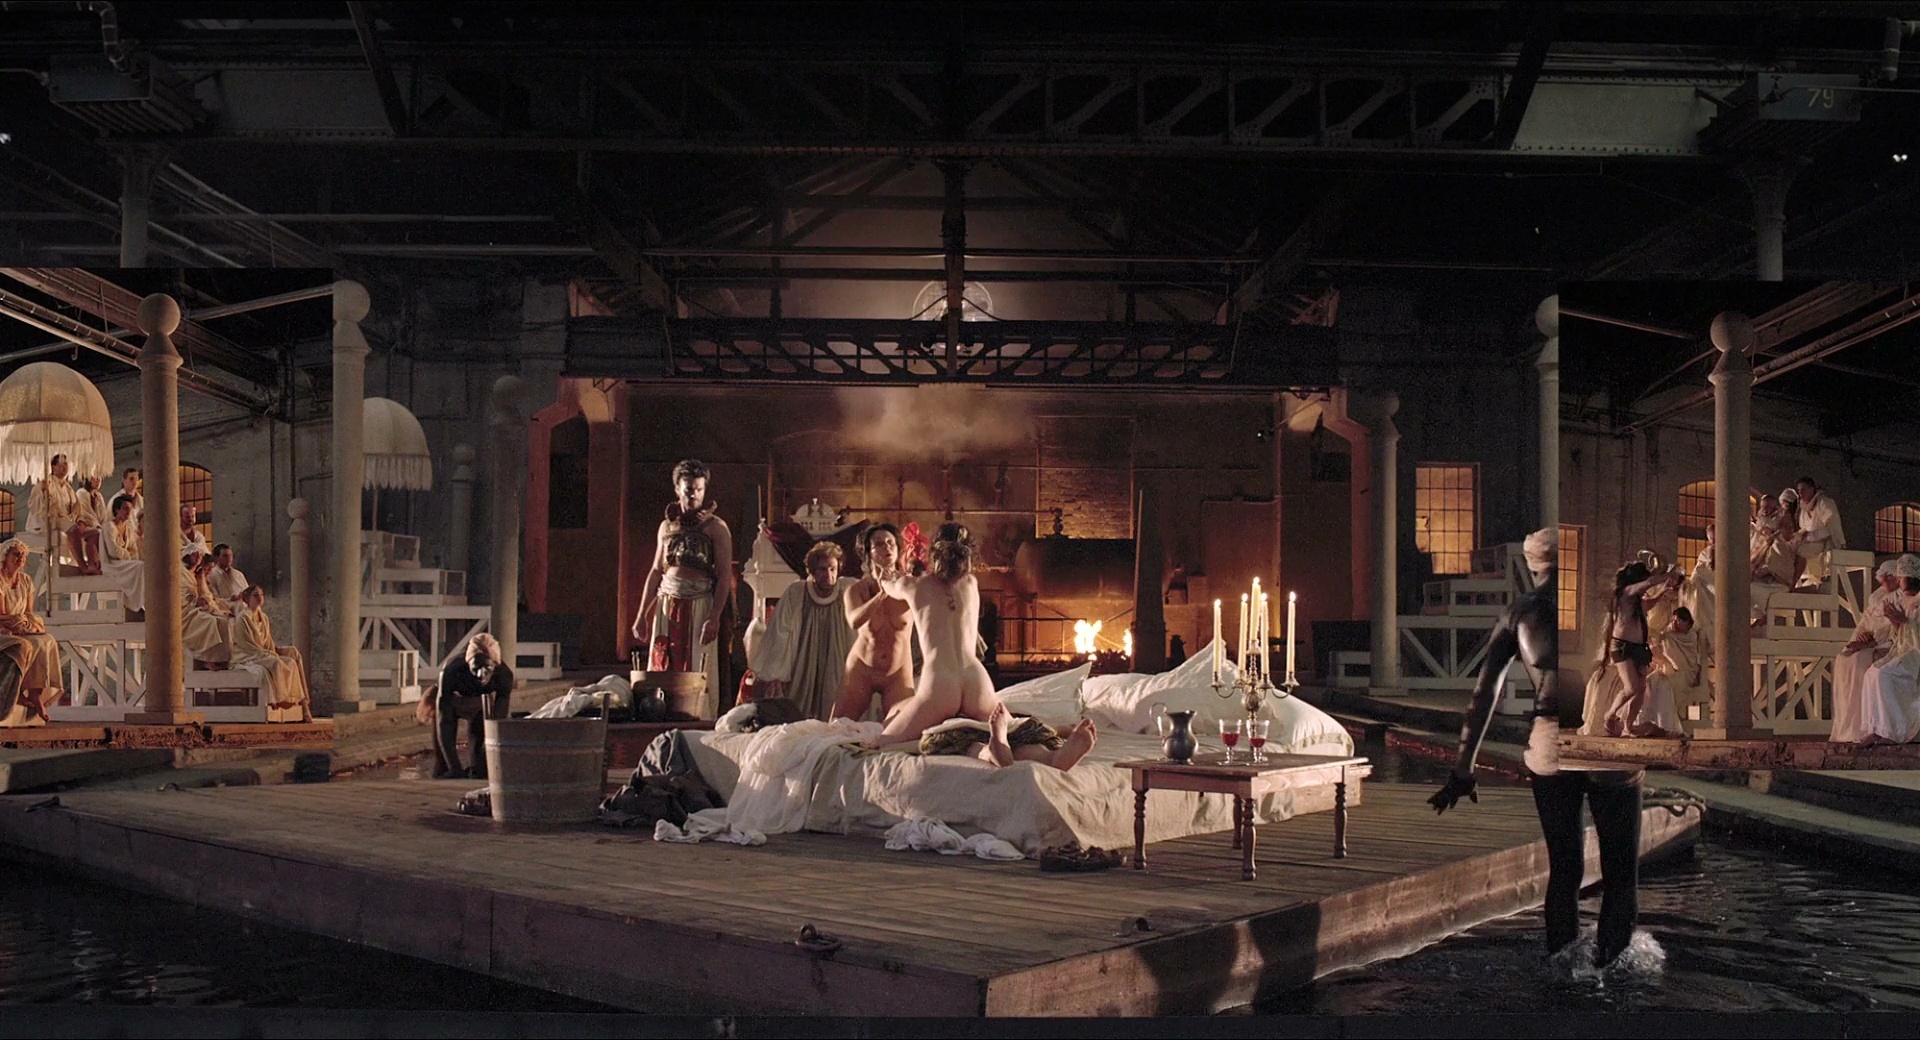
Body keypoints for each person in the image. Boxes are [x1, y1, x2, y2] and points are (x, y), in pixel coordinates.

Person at [1431, 528, 1647, 972]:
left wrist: (1463, 770)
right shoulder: (1603, 603)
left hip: (1550, 739)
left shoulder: (1520, 613)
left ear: (1533, 565)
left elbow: (1483, 696)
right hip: (1603, 739)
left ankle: (1564, 974)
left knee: (1564, 869)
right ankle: (1618, 978)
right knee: (1621, 874)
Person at [875, 522, 1096, 770]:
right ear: (968, 554)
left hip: (940, 683)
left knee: (882, 743)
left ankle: (987, 750)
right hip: (976, 679)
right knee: (1015, 732)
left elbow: (887, 584)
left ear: (933, 553)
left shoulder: (915, 586)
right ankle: (1047, 757)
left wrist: (888, 573)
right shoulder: (970, 584)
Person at [631, 459, 733, 720]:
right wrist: (642, 615)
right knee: (662, 662)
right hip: (667, 603)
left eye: (699, 489)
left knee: (697, 666)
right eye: (689, 489)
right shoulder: (666, 527)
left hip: (699, 605)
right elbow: (656, 570)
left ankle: (699, 719)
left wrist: (714, 616)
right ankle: (658, 718)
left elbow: (724, 576)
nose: (694, 495)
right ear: (678, 489)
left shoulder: (716, 528)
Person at [752, 541, 857, 721]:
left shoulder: (846, 589)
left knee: (833, 697)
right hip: (803, 657)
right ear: (813, 570)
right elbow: (781, 632)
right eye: (822, 569)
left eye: (832, 569)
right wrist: (778, 673)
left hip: (835, 654)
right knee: (798, 703)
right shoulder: (797, 592)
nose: (828, 575)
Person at [832, 523, 915, 723]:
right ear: (868, 553)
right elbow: (854, 621)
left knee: (900, 731)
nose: (887, 547)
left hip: (898, 672)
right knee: (836, 728)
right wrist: (881, 594)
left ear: (898, 550)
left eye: (891, 543)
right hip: (862, 668)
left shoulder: (910, 586)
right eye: (879, 544)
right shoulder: (856, 590)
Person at [1599, 559, 1682, 737]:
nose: (1645, 589)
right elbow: (1648, 583)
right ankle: (1610, 715)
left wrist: (1664, 589)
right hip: (1622, 646)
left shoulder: (1638, 601)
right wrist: (1666, 575)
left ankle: (1628, 726)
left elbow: (1650, 603)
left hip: (1639, 647)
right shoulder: (1625, 593)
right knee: (1631, 687)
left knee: (1641, 689)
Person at [1853, 554, 1920, 747]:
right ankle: (1876, 729)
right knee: (1872, 673)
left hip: (1916, 654)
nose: (1901, 582)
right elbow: (1898, 636)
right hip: (1904, 649)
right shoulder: (1903, 600)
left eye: (1904, 577)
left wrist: (1904, 621)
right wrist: (1895, 621)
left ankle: (1893, 731)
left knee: (1885, 675)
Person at [1832, 559, 1901, 744]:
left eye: (1889, 578)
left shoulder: (1902, 598)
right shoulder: (1877, 598)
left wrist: (1872, 642)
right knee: (1844, 658)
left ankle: (1865, 725)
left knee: (1860, 660)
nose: (1885, 583)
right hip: (1871, 642)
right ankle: (1849, 724)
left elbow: (1896, 631)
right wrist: (1860, 638)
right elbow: (1864, 624)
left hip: (1888, 646)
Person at [435, 633, 514, 779]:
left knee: (481, 768)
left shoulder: (504, 675)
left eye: (487, 669)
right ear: (468, 664)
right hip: (454, 701)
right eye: (475, 668)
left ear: (495, 666)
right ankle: (450, 768)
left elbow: (497, 722)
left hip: (480, 705)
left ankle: (477, 767)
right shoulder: (451, 670)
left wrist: (486, 757)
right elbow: (443, 719)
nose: (480, 675)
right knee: (444, 767)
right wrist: (454, 767)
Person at [0, 539, 61, 727]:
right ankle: (16, 692)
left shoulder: (26, 580)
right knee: (24, 645)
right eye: (16, 554)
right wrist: (17, 623)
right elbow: (2, 615)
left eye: (23, 555)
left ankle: (35, 694)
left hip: (19, 626)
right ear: (5, 557)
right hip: (3, 629)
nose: (20, 558)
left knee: (46, 641)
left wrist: (28, 624)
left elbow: (28, 612)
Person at [232, 585, 312, 723]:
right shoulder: (243, 618)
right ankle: (280, 699)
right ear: (247, 599)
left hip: (263, 653)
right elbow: (247, 644)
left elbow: (268, 641)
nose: (259, 598)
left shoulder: (264, 617)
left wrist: (272, 651)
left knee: (291, 661)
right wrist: (268, 654)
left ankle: (294, 700)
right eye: (256, 595)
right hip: (247, 655)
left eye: (261, 595)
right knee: (276, 663)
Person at [25, 454, 97, 576]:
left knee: (94, 533)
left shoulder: (68, 488)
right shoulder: (46, 482)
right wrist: (43, 492)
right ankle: (82, 565)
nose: (64, 467)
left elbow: (77, 509)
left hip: (66, 520)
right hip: (50, 520)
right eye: (61, 464)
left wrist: (80, 521)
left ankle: (93, 564)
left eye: (66, 464)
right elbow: (34, 504)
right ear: (53, 467)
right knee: (73, 529)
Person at [179, 545, 234, 667]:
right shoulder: (180, 572)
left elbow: (206, 595)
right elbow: (177, 595)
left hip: (195, 609)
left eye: (199, 555)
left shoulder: (197, 573)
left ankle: (221, 659)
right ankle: (207, 659)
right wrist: (195, 601)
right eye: (195, 555)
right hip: (184, 612)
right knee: (211, 622)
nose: (197, 558)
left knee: (224, 622)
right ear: (187, 556)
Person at [1790, 476, 1845, 586]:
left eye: (1803, 490)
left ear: (1812, 489)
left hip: (1827, 543)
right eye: (1799, 491)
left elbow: (1831, 527)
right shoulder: (1803, 509)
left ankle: (1793, 582)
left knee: (1799, 551)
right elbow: (1804, 528)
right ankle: (1794, 583)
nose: (1800, 494)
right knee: (1789, 548)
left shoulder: (1825, 503)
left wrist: (1808, 536)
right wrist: (1795, 537)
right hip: (1811, 542)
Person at [100, 493, 145, 617]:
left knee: (142, 566)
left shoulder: (128, 529)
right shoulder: (109, 526)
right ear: (117, 510)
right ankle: (135, 606)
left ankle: (139, 604)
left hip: (124, 563)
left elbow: (134, 551)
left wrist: (126, 554)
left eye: (130, 509)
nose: (128, 512)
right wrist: (127, 554)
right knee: (140, 566)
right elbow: (113, 551)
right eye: (125, 508)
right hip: (112, 565)